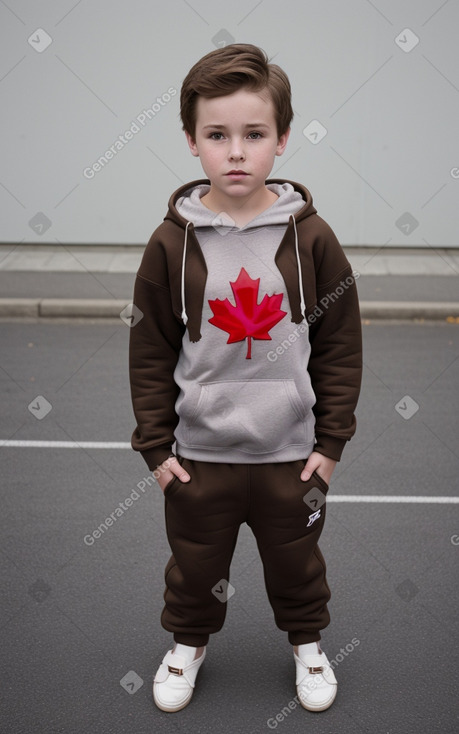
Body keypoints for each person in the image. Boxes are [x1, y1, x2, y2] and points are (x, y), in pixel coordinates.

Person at [129, 43, 362, 714]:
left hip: (292, 458)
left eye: (253, 135)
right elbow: (148, 350)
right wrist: (156, 446)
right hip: (200, 457)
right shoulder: (170, 244)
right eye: (217, 135)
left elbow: (339, 344)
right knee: (195, 569)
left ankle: (308, 646)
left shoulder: (311, 237)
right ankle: (187, 644)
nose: (236, 151)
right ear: (191, 142)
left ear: (281, 139)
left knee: (298, 565)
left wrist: (330, 444)